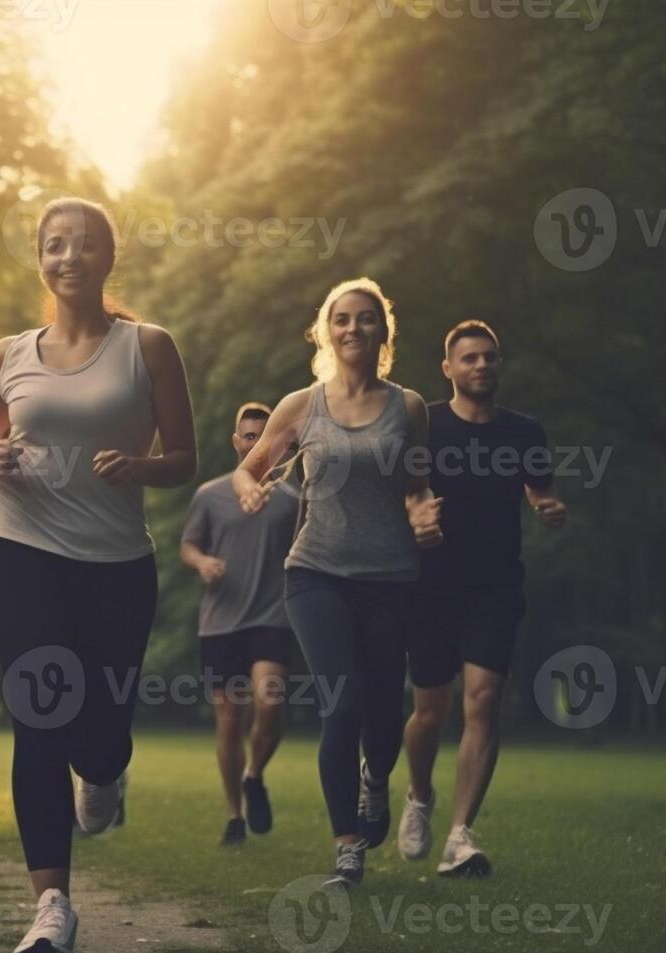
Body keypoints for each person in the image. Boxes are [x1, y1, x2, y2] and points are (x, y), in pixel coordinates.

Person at [0, 197, 196, 953]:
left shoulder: (147, 346)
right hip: (12, 550)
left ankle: (104, 770)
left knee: (97, 738)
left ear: (107, 258)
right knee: (39, 711)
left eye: (83, 245)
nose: (68, 257)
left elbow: (186, 458)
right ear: (39, 258)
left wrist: (141, 467)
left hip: (115, 568)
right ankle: (51, 905)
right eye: (54, 245)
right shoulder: (10, 353)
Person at [232, 278, 442, 888]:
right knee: (341, 704)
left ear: (383, 331)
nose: (354, 328)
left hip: (390, 578)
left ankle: (376, 780)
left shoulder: (409, 407)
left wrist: (424, 513)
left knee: (382, 710)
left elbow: (416, 483)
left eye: (367, 319)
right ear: (326, 330)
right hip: (315, 572)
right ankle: (347, 845)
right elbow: (249, 471)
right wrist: (251, 490)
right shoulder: (301, 405)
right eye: (342, 319)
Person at [397, 320, 567, 876]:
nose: (481, 366)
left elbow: (540, 489)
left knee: (483, 700)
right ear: (448, 368)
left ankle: (460, 837)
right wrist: (415, 513)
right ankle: (419, 796)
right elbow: (403, 490)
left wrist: (549, 507)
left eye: (489, 357)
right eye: (469, 358)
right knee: (429, 711)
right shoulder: (423, 424)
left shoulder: (524, 431)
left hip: (495, 587)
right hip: (430, 586)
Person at [180, 401, 298, 846]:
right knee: (229, 718)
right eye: (248, 436)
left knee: (270, 702)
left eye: (263, 436)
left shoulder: (293, 500)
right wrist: (203, 562)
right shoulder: (209, 495)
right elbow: (187, 547)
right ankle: (234, 815)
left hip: (274, 615)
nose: (255, 443)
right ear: (237, 442)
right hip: (221, 622)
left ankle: (255, 773)